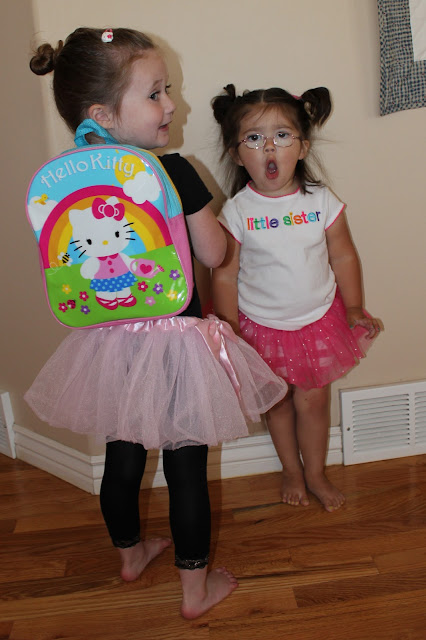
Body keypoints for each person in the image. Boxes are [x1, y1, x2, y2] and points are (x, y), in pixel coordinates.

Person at [26, 31, 287, 619]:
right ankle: (195, 591)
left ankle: (130, 555)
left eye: (167, 90)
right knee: (185, 466)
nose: (171, 104)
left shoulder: (67, 179)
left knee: (121, 457)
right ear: (102, 114)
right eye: (155, 93)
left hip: (107, 344)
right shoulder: (172, 170)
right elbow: (215, 254)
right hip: (175, 341)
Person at [211, 84, 382, 513]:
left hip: (318, 321)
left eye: (282, 136)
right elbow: (225, 274)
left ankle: (316, 472)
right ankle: (291, 469)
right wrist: (229, 329)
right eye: (254, 138)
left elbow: (343, 255)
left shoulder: (321, 201)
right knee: (278, 402)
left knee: (314, 401)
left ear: (303, 147)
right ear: (237, 154)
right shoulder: (236, 211)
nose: (269, 147)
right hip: (259, 326)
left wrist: (354, 306)